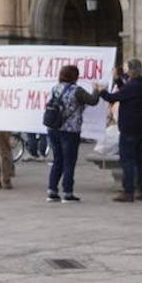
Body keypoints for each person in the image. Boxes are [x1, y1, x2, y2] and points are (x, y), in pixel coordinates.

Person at [101, 58, 142, 202]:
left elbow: (113, 97)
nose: (125, 71)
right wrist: (117, 81)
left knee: (128, 160)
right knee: (140, 160)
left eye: (126, 69)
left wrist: (101, 91)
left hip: (129, 128)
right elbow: (126, 92)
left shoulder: (132, 86)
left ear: (131, 70)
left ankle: (128, 191)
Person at [46, 64, 100, 202]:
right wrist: (96, 90)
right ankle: (67, 192)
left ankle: (52, 190)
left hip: (53, 128)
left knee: (57, 159)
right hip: (70, 130)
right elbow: (93, 101)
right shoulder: (77, 90)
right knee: (69, 161)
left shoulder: (55, 88)